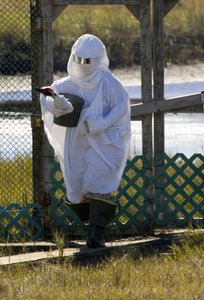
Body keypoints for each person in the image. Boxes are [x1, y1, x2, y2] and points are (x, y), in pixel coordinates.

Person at [40, 34, 131, 248]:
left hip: (105, 142)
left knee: (99, 181)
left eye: (87, 62)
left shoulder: (108, 83)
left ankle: (97, 232)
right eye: (79, 61)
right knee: (76, 184)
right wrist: (56, 103)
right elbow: (48, 95)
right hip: (77, 142)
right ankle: (90, 225)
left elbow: (121, 106)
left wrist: (100, 123)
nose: (83, 67)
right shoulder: (69, 83)